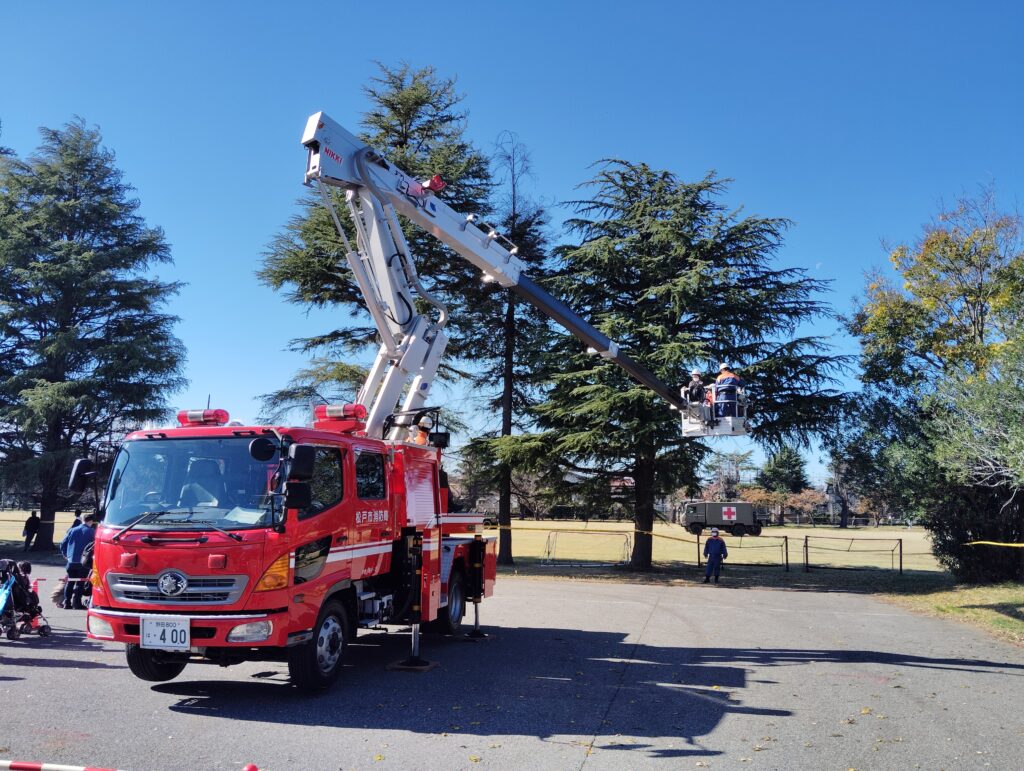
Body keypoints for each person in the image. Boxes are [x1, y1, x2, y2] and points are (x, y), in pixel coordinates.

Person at [60, 513, 98, 609]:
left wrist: (66, 554)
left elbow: (63, 543)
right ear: (91, 521)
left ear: (82, 520)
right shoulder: (91, 532)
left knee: (70, 582)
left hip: (71, 560)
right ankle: (77, 603)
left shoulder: (72, 530)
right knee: (80, 583)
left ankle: (66, 602)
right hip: (83, 562)